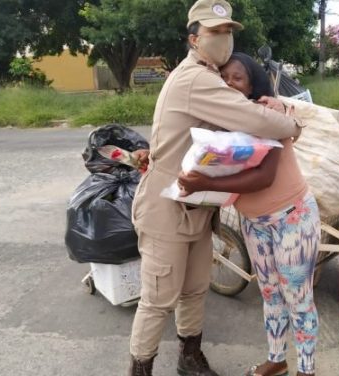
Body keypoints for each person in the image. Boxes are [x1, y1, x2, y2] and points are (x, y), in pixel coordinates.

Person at [128, 1, 304, 375]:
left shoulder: (209, 75)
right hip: (167, 205)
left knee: (194, 290)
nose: (224, 40)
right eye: (215, 33)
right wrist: (292, 125)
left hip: (197, 204)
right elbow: (250, 117)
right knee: (159, 299)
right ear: (194, 39)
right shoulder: (197, 78)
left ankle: (189, 358)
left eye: (228, 32)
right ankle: (139, 369)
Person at [178, 52, 321, 376]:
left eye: (236, 78)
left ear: (252, 83)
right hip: (254, 223)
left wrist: (204, 180)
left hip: (292, 218)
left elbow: (264, 176)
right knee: (270, 294)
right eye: (223, 78)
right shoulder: (220, 123)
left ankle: (307, 370)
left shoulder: (267, 112)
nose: (228, 84)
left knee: (297, 298)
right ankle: (277, 359)